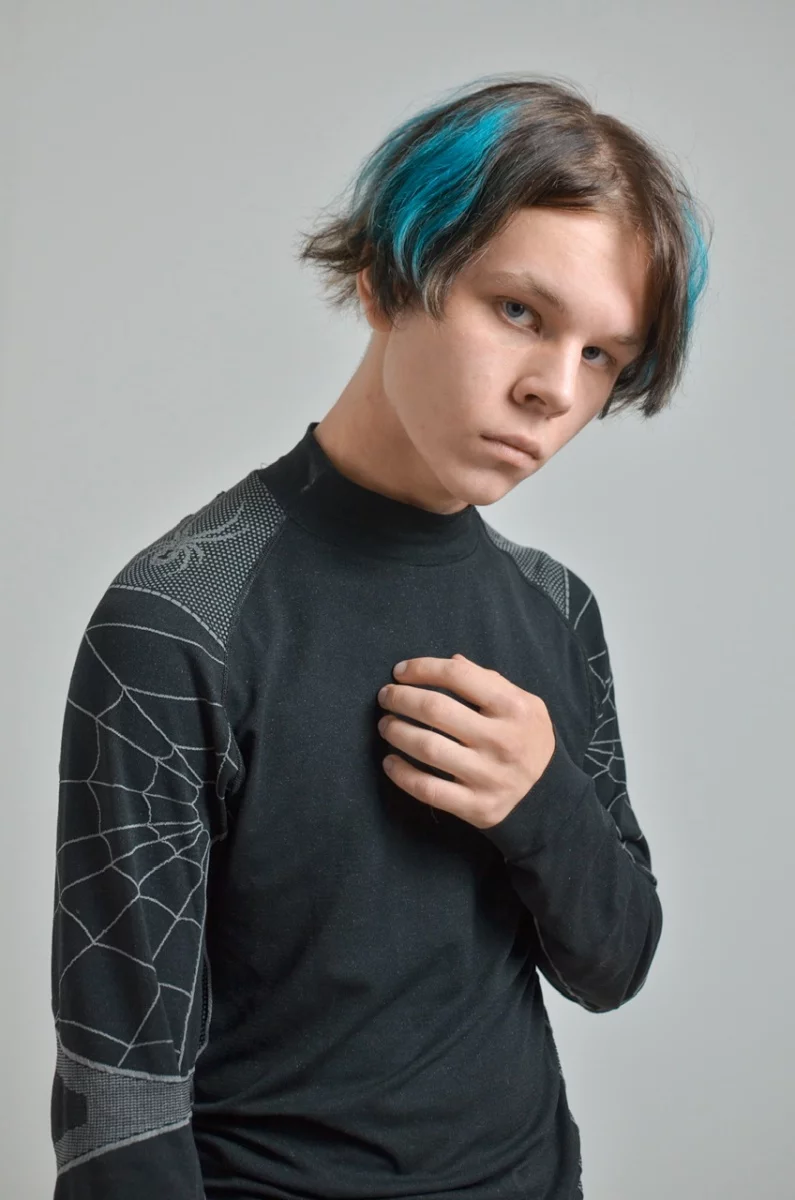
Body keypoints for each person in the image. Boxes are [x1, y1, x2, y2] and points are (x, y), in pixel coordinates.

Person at [49, 72, 710, 1199]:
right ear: (386, 278)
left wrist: (541, 801)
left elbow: (615, 964)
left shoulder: (556, 610)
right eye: (520, 312)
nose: (554, 391)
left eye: (601, 354)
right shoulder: (176, 619)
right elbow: (120, 1100)